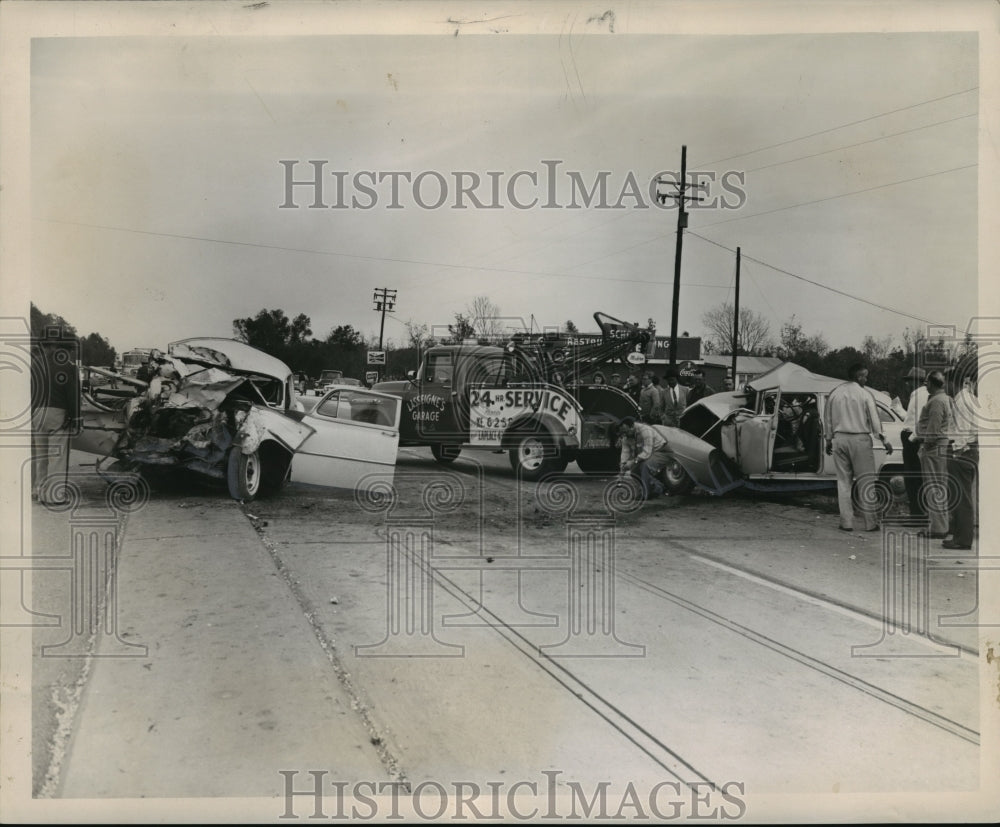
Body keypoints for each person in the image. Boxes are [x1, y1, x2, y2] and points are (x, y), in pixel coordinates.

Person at [824, 363, 893, 532]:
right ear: (858, 376)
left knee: (843, 482)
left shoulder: (835, 394)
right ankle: (871, 522)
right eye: (864, 376)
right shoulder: (865, 394)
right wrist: (884, 440)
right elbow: (875, 422)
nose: (866, 379)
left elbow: (827, 419)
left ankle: (846, 522)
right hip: (860, 440)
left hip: (840, 439)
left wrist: (828, 440)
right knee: (866, 481)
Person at [31, 328, 81, 505]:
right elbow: (73, 395)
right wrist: (76, 419)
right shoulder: (68, 366)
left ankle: (38, 491)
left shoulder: (34, 364)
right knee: (57, 456)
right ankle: (54, 496)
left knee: (40, 456)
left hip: (36, 413)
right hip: (57, 413)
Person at [912, 369, 952, 538]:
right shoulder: (944, 399)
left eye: (927, 382)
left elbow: (933, 428)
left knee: (933, 487)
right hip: (939, 446)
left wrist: (924, 444)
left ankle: (938, 528)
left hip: (933, 447)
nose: (925, 385)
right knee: (938, 486)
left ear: (934, 383)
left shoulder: (936, 401)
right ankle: (941, 525)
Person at [945, 367, 977, 549]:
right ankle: (958, 536)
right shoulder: (966, 398)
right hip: (966, 451)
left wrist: (956, 451)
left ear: (952, 382)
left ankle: (963, 539)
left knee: (962, 497)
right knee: (960, 495)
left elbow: (963, 431)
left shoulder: (962, 401)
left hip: (963, 452)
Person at [617, 417, 671, 500]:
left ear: (632, 427)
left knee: (645, 466)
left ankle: (646, 493)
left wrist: (633, 461)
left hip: (661, 451)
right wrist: (622, 472)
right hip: (649, 453)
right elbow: (624, 454)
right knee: (634, 471)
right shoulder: (626, 437)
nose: (625, 435)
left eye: (626, 431)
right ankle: (658, 489)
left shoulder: (645, 430)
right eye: (623, 432)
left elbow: (647, 452)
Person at [899, 366, 928, 517]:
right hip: (913, 437)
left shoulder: (920, 395)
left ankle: (917, 514)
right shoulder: (917, 394)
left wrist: (911, 439)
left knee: (913, 478)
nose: (907, 384)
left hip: (913, 439)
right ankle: (917, 512)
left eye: (909, 381)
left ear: (916, 381)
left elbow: (920, 421)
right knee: (915, 477)